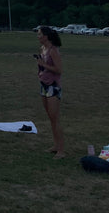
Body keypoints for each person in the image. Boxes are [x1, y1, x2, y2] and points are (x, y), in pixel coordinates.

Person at [36, 26, 64, 158]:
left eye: (40, 34)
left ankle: (61, 151)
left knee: (55, 118)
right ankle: (55, 145)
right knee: (50, 118)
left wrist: (43, 64)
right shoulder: (42, 49)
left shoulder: (53, 50)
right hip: (44, 85)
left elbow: (59, 70)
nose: (38, 37)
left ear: (46, 36)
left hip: (53, 86)